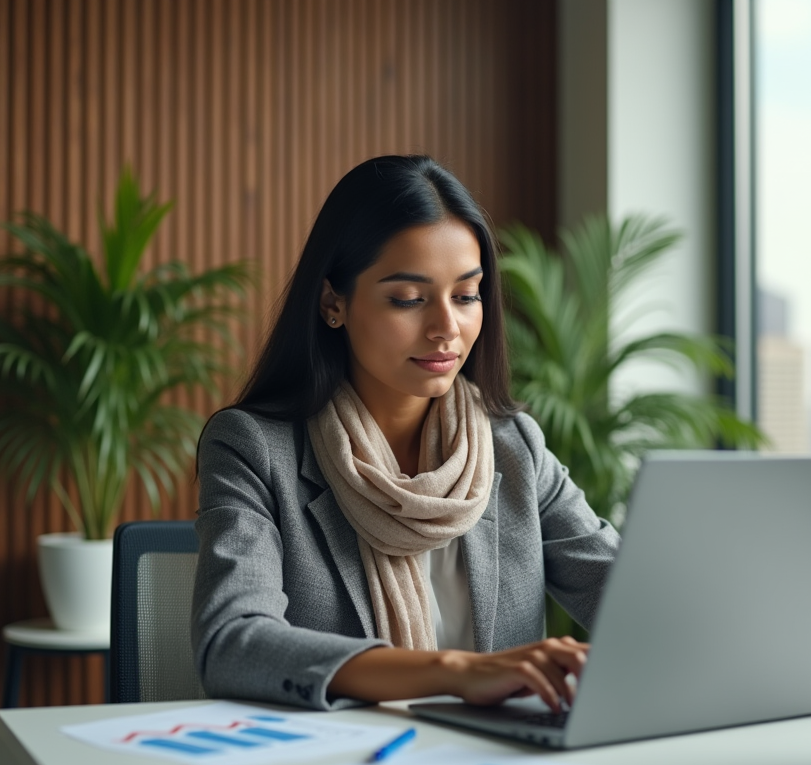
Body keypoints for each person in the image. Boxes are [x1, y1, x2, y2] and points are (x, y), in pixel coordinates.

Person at [192, 155, 620, 714]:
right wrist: (455, 672)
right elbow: (233, 644)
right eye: (409, 299)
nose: (447, 327)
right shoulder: (252, 448)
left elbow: (629, 600)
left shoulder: (514, 446)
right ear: (333, 304)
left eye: (467, 295)